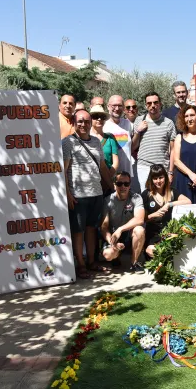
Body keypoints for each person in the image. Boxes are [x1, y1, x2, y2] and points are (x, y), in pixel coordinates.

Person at [63, 110, 114, 279]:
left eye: (86, 121)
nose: (83, 124)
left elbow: (102, 167)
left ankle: (92, 262)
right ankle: (81, 265)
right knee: (78, 231)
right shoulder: (68, 143)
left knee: (91, 229)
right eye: (79, 121)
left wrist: (112, 186)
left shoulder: (96, 142)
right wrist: (68, 194)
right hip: (78, 195)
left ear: (90, 123)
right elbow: (63, 171)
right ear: (74, 123)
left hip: (96, 193)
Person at [101, 171, 146, 273]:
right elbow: (104, 227)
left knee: (139, 230)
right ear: (114, 185)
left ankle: (134, 263)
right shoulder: (108, 200)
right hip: (114, 236)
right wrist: (111, 242)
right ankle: (116, 256)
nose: (123, 186)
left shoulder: (136, 197)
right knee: (108, 255)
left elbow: (140, 219)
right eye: (119, 184)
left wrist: (120, 229)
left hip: (129, 234)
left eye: (126, 184)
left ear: (130, 185)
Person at [142, 165, 191, 258]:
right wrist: (154, 215)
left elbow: (188, 201)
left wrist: (169, 204)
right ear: (151, 180)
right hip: (153, 233)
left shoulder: (172, 191)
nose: (158, 181)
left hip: (169, 231)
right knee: (151, 250)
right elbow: (142, 219)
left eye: (161, 177)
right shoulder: (146, 194)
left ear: (165, 177)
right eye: (155, 178)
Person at [132, 92, 177, 190]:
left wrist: (170, 172)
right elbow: (133, 147)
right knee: (147, 198)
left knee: (163, 199)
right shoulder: (139, 120)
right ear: (145, 105)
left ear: (160, 104)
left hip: (162, 167)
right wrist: (137, 131)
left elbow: (173, 150)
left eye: (155, 102)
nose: (152, 105)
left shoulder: (168, 123)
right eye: (149, 103)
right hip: (144, 167)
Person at [103, 95, 136, 186]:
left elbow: (132, 146)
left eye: (120, 105)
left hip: (127, 174)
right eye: (114, 105)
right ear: (108, 106)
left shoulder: (128, 124)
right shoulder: (103, 126)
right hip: (110, 176)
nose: (117, 108)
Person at [89, 105, 120, 178]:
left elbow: (116, 162)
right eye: (96, 116)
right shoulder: (86, 138)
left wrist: (108, 179)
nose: (99, 119)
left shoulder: (110, 138)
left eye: (102, 116)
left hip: (109, 178)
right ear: (90, 119)